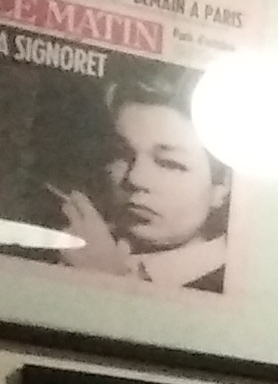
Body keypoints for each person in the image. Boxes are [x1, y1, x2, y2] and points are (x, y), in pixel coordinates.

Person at [54, 71, 232, 290]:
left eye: (169, 163)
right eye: (122, 154)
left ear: (222, 186)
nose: (135, 178)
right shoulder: (74, 249)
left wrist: (105, 279)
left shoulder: (233, 286)